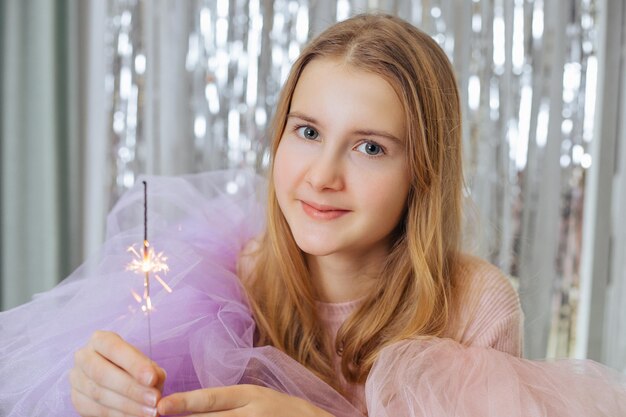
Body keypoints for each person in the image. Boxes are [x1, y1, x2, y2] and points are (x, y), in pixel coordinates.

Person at [1, 13, 624, 417]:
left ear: (422, 173)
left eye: (370, 147)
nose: (322, 175)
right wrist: (96, 389)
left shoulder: (473, 306)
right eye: (306, 131)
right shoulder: (224, 279)